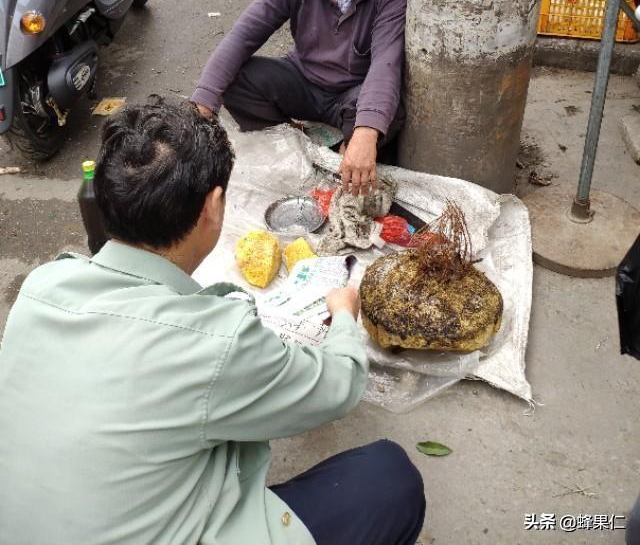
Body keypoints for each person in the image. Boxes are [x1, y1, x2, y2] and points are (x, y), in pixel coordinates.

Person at [0, 97, 426, 545]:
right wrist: (343, 314)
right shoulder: (216, 340)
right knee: (389, 477)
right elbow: (338, 385)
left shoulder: (41, 286)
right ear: (213, 206)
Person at [192, 0, 408, 197]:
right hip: (304, 81)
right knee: (235, 78)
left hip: (352, 95)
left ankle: (349, 156)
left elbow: (386, 64)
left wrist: (365, 133)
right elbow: (241, 37)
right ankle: (290, 147)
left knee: (385, 111)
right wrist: (198, 111)